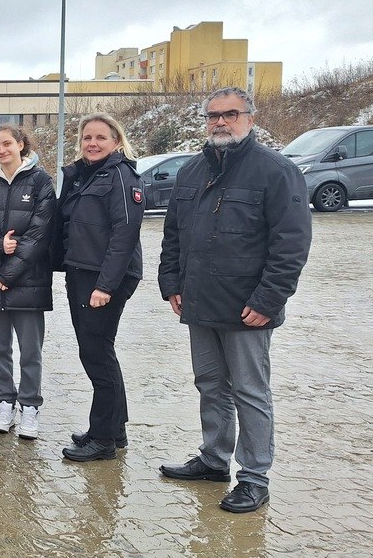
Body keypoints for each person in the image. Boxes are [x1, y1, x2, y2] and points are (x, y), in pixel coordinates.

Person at [157, 87, 311, 513]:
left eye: (230, 114)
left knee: (250, 391)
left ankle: (255, 476)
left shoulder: (276, 171)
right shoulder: (192, 170)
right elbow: (174, 234)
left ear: (250, 118)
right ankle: (213, 459)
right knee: (210, 385)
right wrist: (171, 282)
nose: (220, 122)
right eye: (212, 116)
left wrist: (269, 299)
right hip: (199, 302)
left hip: (248, 308)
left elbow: (292, 243)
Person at [51, 113, 144, 462]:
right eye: (87, 137)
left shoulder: (121, 176)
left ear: (116, 142)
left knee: (96, 354)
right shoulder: (86, 176)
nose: (92, 143)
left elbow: (125, 233)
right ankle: (113, 429)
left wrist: (105, 285)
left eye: (100, 138)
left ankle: (102, 441)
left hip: (104, 278)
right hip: (83, 272)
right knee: (99, 351)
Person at [0, 124, 55, 439]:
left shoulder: (41, 181)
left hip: (27, 282)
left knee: (31, 351)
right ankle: (5, 403)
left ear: (21, 144)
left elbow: (39, 234)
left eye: (7, 144)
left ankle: (30, 407)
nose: (1, 151)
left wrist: (8, 273)